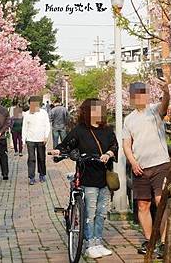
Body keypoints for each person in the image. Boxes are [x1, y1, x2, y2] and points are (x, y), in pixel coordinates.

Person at [52, 98, 118, 259]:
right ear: (87, 112)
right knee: (90, 212)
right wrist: (58, 152)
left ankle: (98, 241)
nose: (98, 113)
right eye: (95, 110)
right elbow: (66, 145)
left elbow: (114, 146)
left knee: (102, 212)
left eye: (100, 110)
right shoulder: (79, 131)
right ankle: (89, 243)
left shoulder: (108, 130)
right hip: (87, 177)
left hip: (104, 176)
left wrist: (108, 154)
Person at [122, 80, 170, 258]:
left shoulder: (155, 111)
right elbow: (127, 145)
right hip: (140, 167)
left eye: (143, 93)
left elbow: (165, 105)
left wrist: (166, 92)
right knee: (143, 204)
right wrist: (133, 162)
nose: (140, 97)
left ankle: (164, 242)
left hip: (160, 164)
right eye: (136, 94)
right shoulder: (129, 119)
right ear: (132, 97)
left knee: (161, 201)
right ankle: (150, 240)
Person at [23, 96, 51, 184]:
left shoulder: (43, 113)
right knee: (31, 158)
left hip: (41, 139)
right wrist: (23, 140)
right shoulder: (27, 114)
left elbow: (47, 125)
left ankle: (42, 174)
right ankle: (31, 177)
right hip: (30, 139)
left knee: (41, 157)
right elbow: (24, 127)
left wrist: (46, 136)